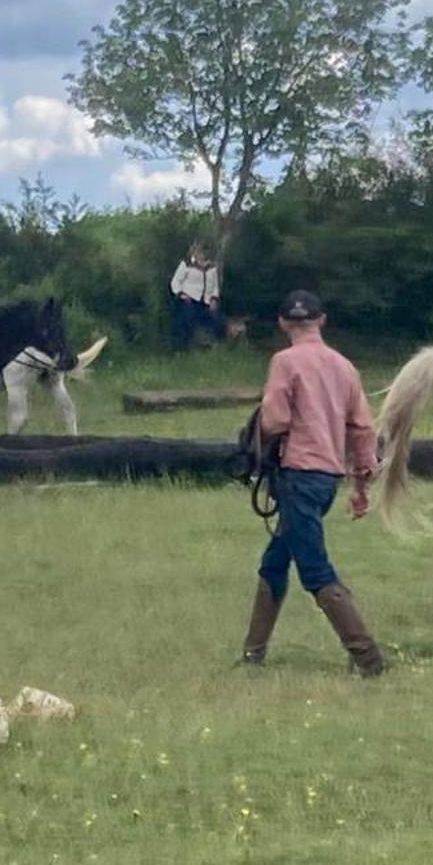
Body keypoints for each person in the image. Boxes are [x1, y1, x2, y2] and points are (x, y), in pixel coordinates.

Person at [241, 289, 385, 677]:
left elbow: (274, 421)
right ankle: (253, 653)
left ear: (284, 323)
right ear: (321, 321)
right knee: (274, 562)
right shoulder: (344, 366)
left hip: (297, 476)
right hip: (327, 477)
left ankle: (368, 657)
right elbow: (362, 430)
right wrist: (360, 487)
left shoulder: (284, 362)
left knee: (314, 569)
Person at [170, 238, 226, 348]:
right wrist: (181, 294)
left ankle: (212, 344)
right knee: (186, 316)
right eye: (199, 251)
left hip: (206, 301)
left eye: (204, 252)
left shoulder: (212, 267)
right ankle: (183, 345)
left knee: (218, 319)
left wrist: (214, 299)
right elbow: (175, 282)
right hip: (189, 299)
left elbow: (215, 286)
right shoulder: (186, 264)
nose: (201, 254)